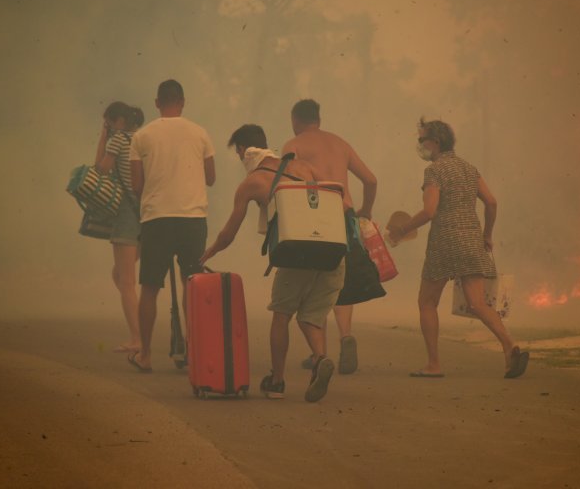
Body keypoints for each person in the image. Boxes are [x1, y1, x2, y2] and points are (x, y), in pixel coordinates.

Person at [199, 124, 344, 402]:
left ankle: (277, 381)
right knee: (312, 316)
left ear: (243, 151)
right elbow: (336, 199)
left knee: (281, 314)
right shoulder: (303, 167)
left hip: (297, 254)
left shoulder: (252, 183)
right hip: (331, 252)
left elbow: (229, 232)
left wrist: (211, 251)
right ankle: (320, 359)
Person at [387, 119, 529, 379]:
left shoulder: (435, 171)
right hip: (472, 240)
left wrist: (402, 229)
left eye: (422, 140)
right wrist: (487, 234)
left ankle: (433, 364)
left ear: (436, 142)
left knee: (427, 302)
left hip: (445, 242)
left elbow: (429, 211)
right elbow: (492, 202)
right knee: (478, 303)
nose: (419, 145)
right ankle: (509, 346)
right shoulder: (469, 168)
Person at [281, 99, 380, 375]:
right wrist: (366, 211)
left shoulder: (294, 145)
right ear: (319, 120)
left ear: (296, 121)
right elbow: (371, 180)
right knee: (340, 280)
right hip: (346, 214)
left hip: (315, 216)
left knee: (318, 283)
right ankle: (346, 336)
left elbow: (286, 183)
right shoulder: (340, 143)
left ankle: (319, 354)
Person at [127, 80, 216, 372]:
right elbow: (211, 177)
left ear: (157, 103)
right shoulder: (200, 133)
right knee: (192, 282)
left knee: (150, 286)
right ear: (183, 102)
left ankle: (146, 354)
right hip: (193, 218)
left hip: (157, 219)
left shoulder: (141, 136)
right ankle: (193, 350)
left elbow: (136, 185)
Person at [94, 101, 145, 354]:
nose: (109, 127)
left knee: (125, 281)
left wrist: (104, 137)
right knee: (121, 277)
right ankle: (139, 329)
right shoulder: (142, 138)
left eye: (109, 123)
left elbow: (101, 169)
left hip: (127, 213)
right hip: (147, 211)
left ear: (119, 121)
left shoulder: (119, 139)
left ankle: (137, 338)